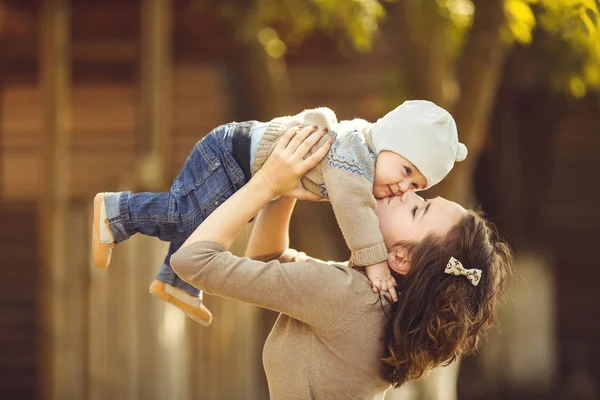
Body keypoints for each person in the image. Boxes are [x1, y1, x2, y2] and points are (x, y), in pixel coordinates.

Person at [168, 126, 514, 399]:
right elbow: (270, 261)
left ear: (402, 257)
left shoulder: (345, 295)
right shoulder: (375, 303)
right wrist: (291, 187)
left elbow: (192, 260)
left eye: (417, 208)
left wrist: (268, 181)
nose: (406, 191)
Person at [92, 100, 467, 325]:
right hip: (230, 155)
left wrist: (280, 188)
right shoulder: (355, 160)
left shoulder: (366, 154)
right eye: (406, 172)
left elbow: (268, 255)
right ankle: (118, 211)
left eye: (417, 186)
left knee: (203, 221)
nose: (405, 190)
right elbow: (356, 212)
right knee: (185, 216)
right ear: (387, 143)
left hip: (245, 166)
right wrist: (375, 262)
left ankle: (174, 282)